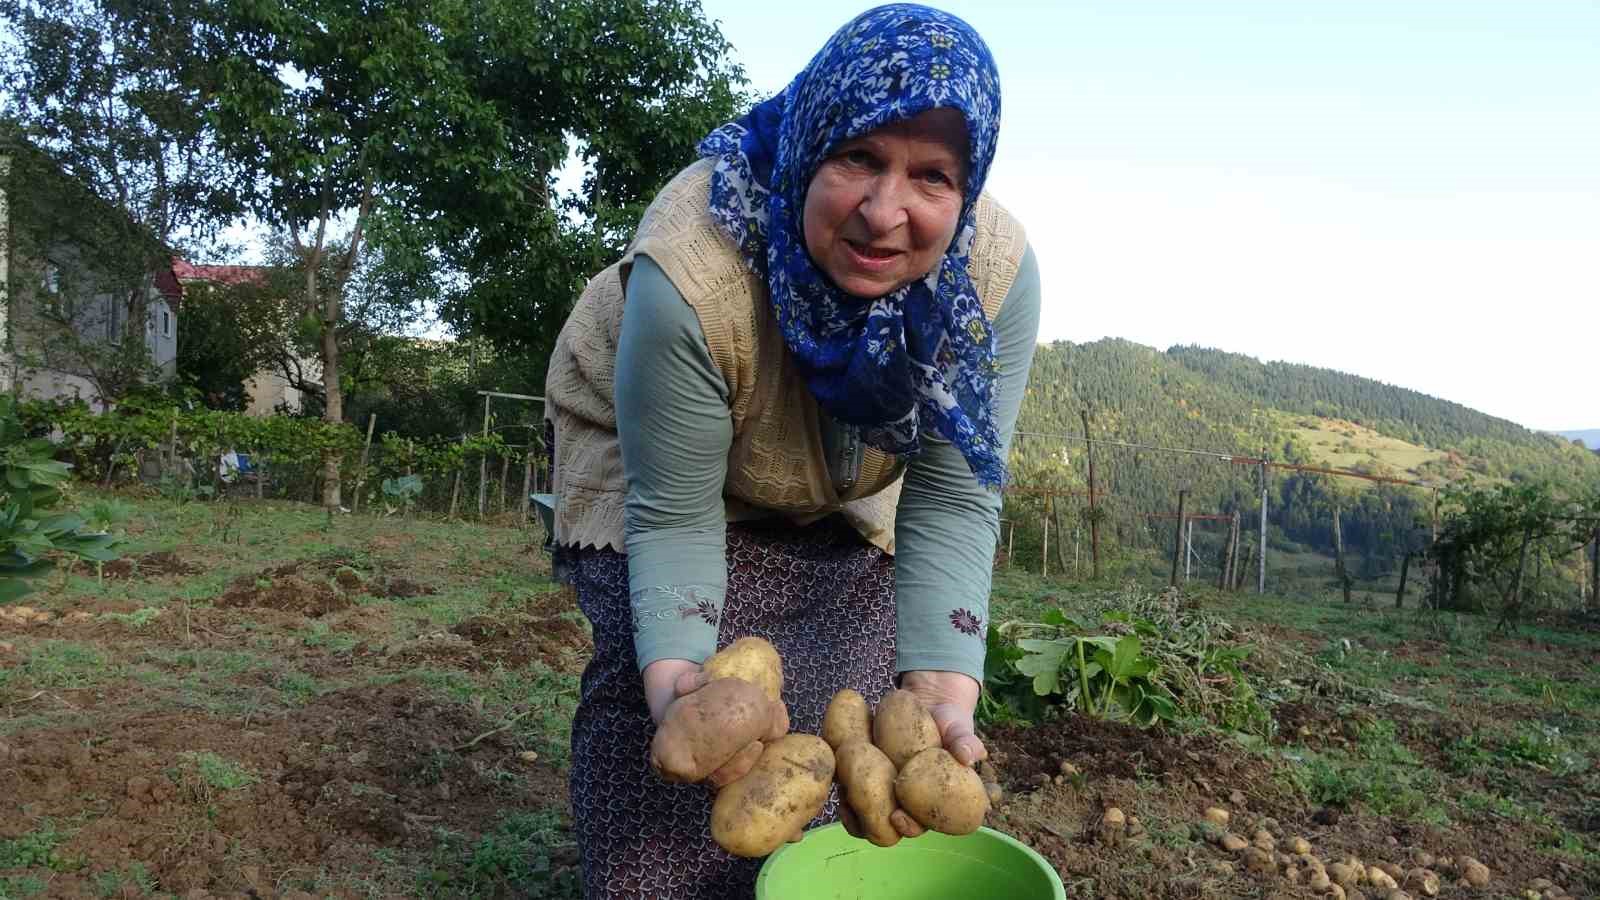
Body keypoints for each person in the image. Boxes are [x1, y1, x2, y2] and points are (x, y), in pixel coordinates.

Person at [543, 4, 1041, 897]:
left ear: (967, 188)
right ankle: (641, 875)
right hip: (653, 463)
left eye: (932, 176)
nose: (885, 212)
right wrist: (682, 694)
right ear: (811, 142)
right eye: (856, 157)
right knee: (666, 691)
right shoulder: (695, 269)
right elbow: (674, 510)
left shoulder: (992, 277)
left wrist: (941, 684)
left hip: (843, 465)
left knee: (842, 688)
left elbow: (957, 499)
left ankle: (784, 879)